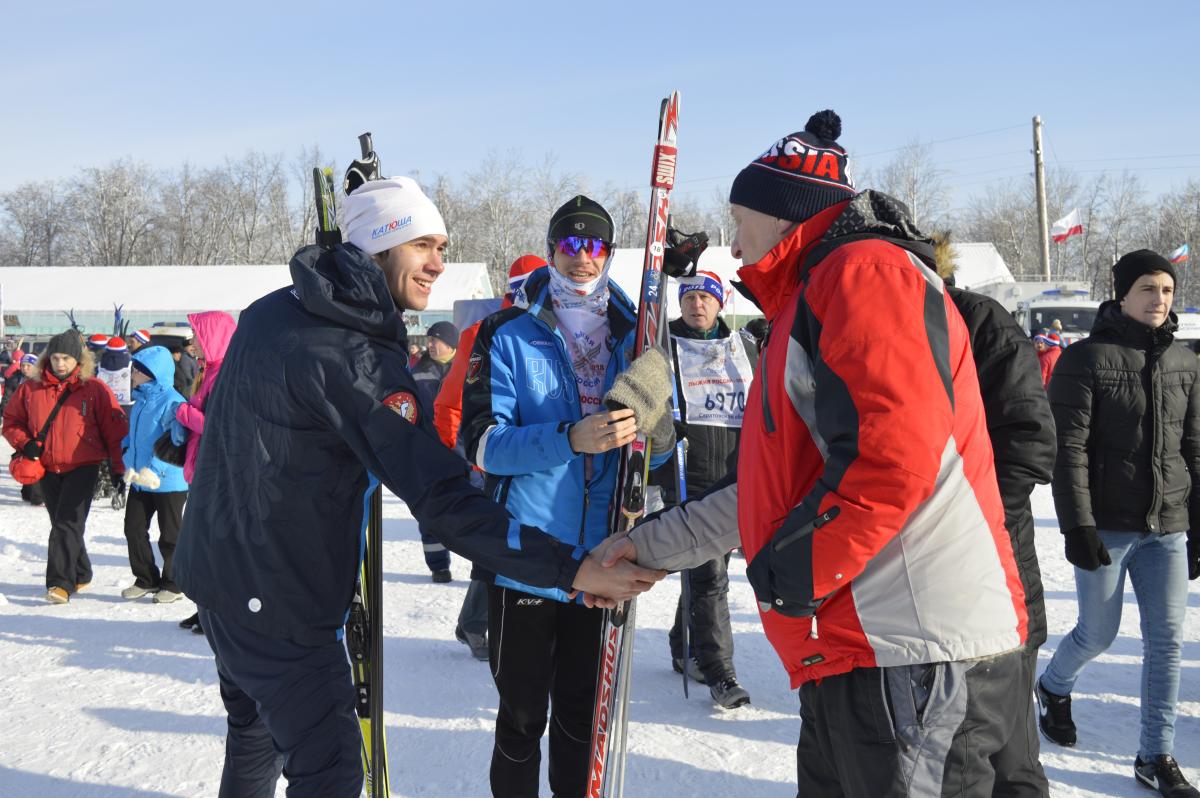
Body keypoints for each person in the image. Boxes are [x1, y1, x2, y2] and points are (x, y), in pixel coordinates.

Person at [172, 177, 663, 798]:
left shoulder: (280, 307)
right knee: (330, 774)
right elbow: (443, 495)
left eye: (442, 245)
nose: (439, 263)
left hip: (218, 576)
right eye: (422, 245)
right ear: (379, 246)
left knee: (254, 740)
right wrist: (568, 569)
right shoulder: (355, 357)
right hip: (281, 602)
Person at [596, 111, 1031, 797]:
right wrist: (646, 549)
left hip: (909, 652)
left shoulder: (863, 273)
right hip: (861, 653)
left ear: (782, 217)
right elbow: (767, 495)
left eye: (740, 220)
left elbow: (894, 457)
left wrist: (791, 573)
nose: (735, 247)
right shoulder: (810, 300)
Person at [462, 195, 674, 797]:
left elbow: (656, 458)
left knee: (583, 717)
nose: (582, 258)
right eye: (569, 245)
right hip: (526, 552)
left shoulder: (637, 334)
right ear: (551, 249)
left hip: (604, 551)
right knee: (524, 714)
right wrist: (568, 438)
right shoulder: (507, 331)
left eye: (596, 246)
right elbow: (480, 443)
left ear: (609, 254)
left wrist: (656, 433)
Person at [1037, 249, 1200, 798]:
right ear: (1123, 294)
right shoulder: (1085, 359)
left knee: (1168, 641)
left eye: (1168, 291)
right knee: (1098, 633)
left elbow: (1195, 450)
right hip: (1106, 526)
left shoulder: (1185, 361)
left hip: (1167, 527)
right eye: (1149, 289)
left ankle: (1155, 755)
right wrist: (1077, 527)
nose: (1160, 300)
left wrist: (1195, 524)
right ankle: (1054, 686)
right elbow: (1070, 452)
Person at [937, 233, 1057, 798]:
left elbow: (1030, 440)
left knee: (1009, 753)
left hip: (994, 555)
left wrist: (967, 521)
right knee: (953, 753)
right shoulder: (878, 324)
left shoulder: (975, 318)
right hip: (927, 581)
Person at [649, 269, 755, 709]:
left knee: (704, 569)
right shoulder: (662, 347)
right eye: (689, 297)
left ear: (720, 302)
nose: (697, 305)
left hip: (731, 475)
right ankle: (720, 673)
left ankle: (683, 645)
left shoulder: (743, 347)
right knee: (711, 576)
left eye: (705, 298)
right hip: (684, 473)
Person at [433, 253, 546, 660]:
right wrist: (455, 454)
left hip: (537, 452)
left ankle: (480, 622)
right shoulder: (484, 331)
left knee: (522, 539)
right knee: (504, 539)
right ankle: (482, 625)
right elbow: (451, 400)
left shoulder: (552, 324)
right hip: (495, 455)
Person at [2, 330, 128, 604]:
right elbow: (11, 422)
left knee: (67, 523)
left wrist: (119, 468)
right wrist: (26, 443)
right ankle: (81, 572)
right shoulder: (29, 388)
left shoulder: (94, 389)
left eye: (67, 358)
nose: (60, 364)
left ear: (78, 360)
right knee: (62, 524)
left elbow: (115, 430)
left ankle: (59, 583)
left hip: (84, 464)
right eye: (56, 357)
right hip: (46, 466)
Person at [171, 311, 237, 634]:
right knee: (202, 546)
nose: (192, 342)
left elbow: (217, 426)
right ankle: (205, 610)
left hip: (217, 472)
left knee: (214, 547)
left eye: (197, 336)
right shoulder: (208, 371)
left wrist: (183, 412)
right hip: (201, 470)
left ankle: (218, 613)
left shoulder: (226, 373)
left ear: (212, 338)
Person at [119, 346, 189, 604]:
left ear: (153, 373)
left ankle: (173, 583)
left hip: (168, 481)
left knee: (170, 536)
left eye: (137, 370)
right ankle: (146, 579)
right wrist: (128, 460)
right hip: (139, 480)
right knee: (133, 529)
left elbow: (177, 441)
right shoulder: (140, 400)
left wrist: (154, 470)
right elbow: (131, 439)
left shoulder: (173, 401)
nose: (133, 373)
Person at [411, 319, 461, 582]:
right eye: (428, 339)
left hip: (465, 454)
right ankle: (438, 565)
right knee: (430, 511)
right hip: (430, 452)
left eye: (435, 339)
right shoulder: (417, 374)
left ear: (451, 344)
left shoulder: (468, 369)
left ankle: (485, 568)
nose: (429, 344)